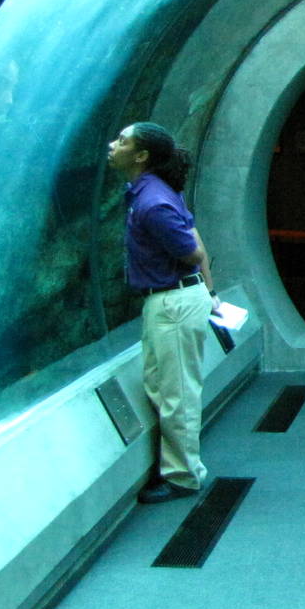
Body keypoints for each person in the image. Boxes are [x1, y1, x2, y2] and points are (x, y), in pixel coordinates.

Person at [106, 121, 216, 504]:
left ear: (141, 156)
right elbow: (193, 233)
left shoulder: (152, 202)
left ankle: (184, 476)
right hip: (169, 300)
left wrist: (203, 287)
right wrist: (209, 290)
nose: (112, 145)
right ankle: (176, 462)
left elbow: (190, 250)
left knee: (177, 392)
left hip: (172, 301)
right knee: (162, 384)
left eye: (122, 141)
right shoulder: (151, 191)